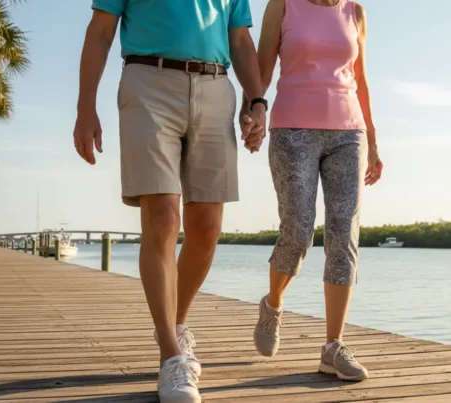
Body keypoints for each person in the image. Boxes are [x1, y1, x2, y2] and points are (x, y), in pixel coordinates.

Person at [73, 2, 267, 402]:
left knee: (207, 229)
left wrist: (257, 100)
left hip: (216, 88)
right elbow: (100, 31)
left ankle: (176, 325)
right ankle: (171, 357)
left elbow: (242, 41)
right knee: (162, 218)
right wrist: (85, 106)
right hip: (148, 81)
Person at [246, 0, 383, 381]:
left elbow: (361, 77)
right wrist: (253, 114)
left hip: (348, 134)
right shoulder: (283, 5)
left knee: (344, 234)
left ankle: (332, 347)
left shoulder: (354, 11)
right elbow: (261, 69)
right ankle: (273, 304)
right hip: (292, 130)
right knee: (299, 228)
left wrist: (372, 139)